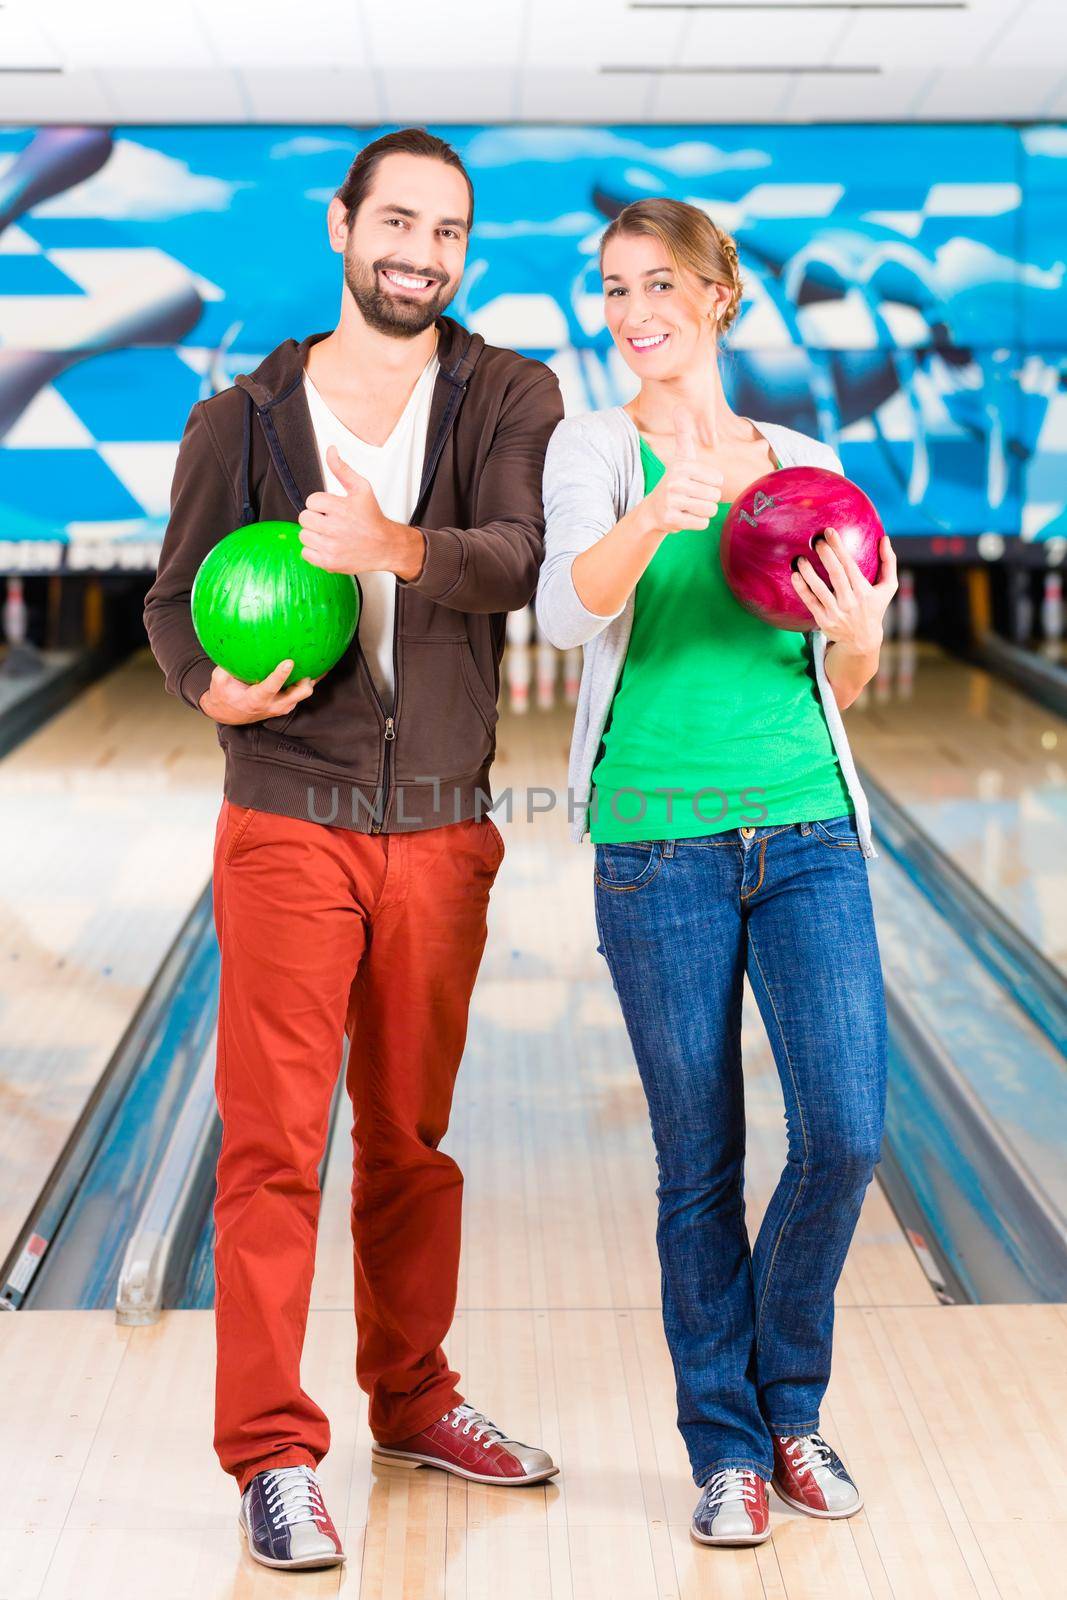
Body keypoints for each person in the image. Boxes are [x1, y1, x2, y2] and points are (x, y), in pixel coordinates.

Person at [145, 128, 563, 1572]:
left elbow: (513, 553)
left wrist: (396, 546)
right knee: (271, 1151)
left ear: (467, 253)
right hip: (286, 819)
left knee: (411, 1145)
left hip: (442, 826)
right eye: (398, 223)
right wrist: (212, 687)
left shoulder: (510, 391)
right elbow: (169, 603)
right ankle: (271, 1451)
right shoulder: (243, 418)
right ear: (343, 228)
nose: (421, 254)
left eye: (447, 233)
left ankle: (416, 1401)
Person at [536, 198, 897, 1548]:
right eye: (616, 291)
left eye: (660, 287)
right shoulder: (593, 445)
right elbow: (568, 610)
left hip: (808, 833)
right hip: (655, 844)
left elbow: (842, 679)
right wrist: (655, 516)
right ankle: (731, 1448)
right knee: (698, 1161)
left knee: (848, 1132)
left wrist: (858, 634)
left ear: (720, 297)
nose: (636, 314)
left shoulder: (802, 459)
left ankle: (790, 1401)